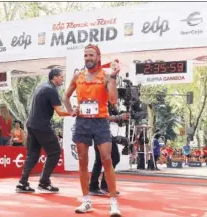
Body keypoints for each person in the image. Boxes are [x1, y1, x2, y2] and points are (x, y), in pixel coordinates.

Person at [64, 44, 121, 216]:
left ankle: (113, 203)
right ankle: (86, 200)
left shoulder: (105, 76)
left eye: (91, 55)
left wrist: (113, 78)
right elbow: (66, 96)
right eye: (86, 55)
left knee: (106, 159)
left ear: (98, 57)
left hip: (100, 122)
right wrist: (70, 110)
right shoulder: (78, 76)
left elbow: (112, 100)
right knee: (82, 161)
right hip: (82, 122)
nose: (88, 58)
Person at [16, 68, 70, 193]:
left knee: (32, 155)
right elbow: (60, 112)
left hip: (31, 124)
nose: (62, 79)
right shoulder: (51, 90)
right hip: (41, 126)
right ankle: (44, 182)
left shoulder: (41, 86)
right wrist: (73, 113)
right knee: (55, 151)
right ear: (54, 77)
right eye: (61, 76)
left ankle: (22, 183)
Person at [89, 111, 130, 196]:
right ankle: (101, 185)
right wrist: (118, 117)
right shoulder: (102, 101)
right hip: (101, 134)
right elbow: (103, 117)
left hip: (103, 133)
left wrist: (118, 119)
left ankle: (96, 186)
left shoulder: (109, 105)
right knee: (112, 158)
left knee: (100, 160)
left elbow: (107, 118)